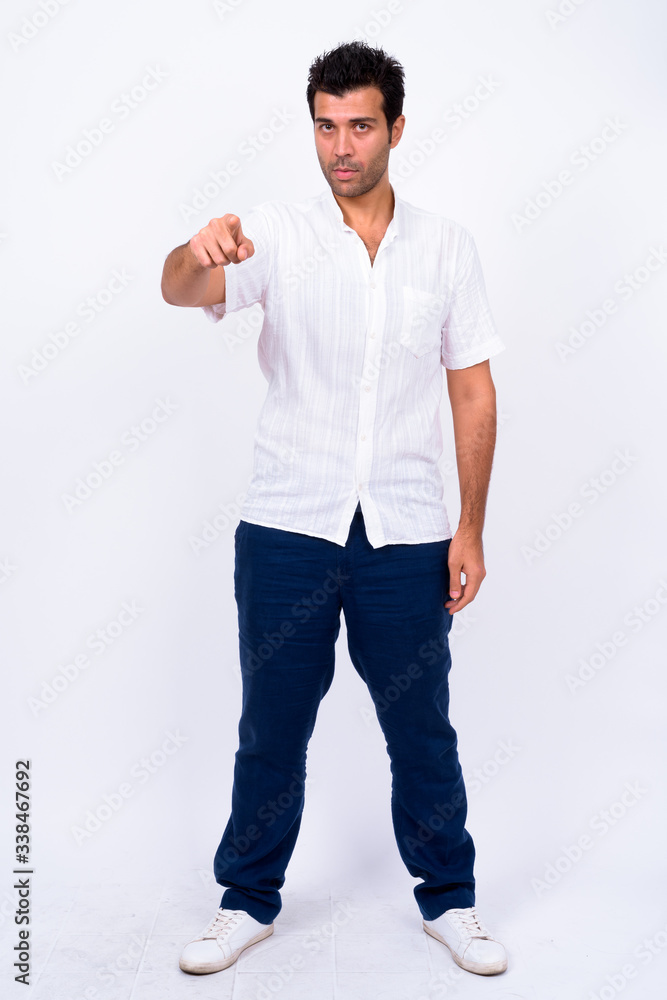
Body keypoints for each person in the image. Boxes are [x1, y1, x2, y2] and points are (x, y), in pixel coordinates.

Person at [161, 40, 508, 979]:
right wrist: (194, 252)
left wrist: (470, 526)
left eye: (359, 126)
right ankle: (246, 902)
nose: (341, 146)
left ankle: (450, 901)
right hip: (287, 527)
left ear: (396, 128)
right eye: (325, 126)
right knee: (271, 727)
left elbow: (471, 391)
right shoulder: (274, 234)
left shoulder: (445, 248)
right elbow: (181, 288)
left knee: (421, 729)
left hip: (406, 532)